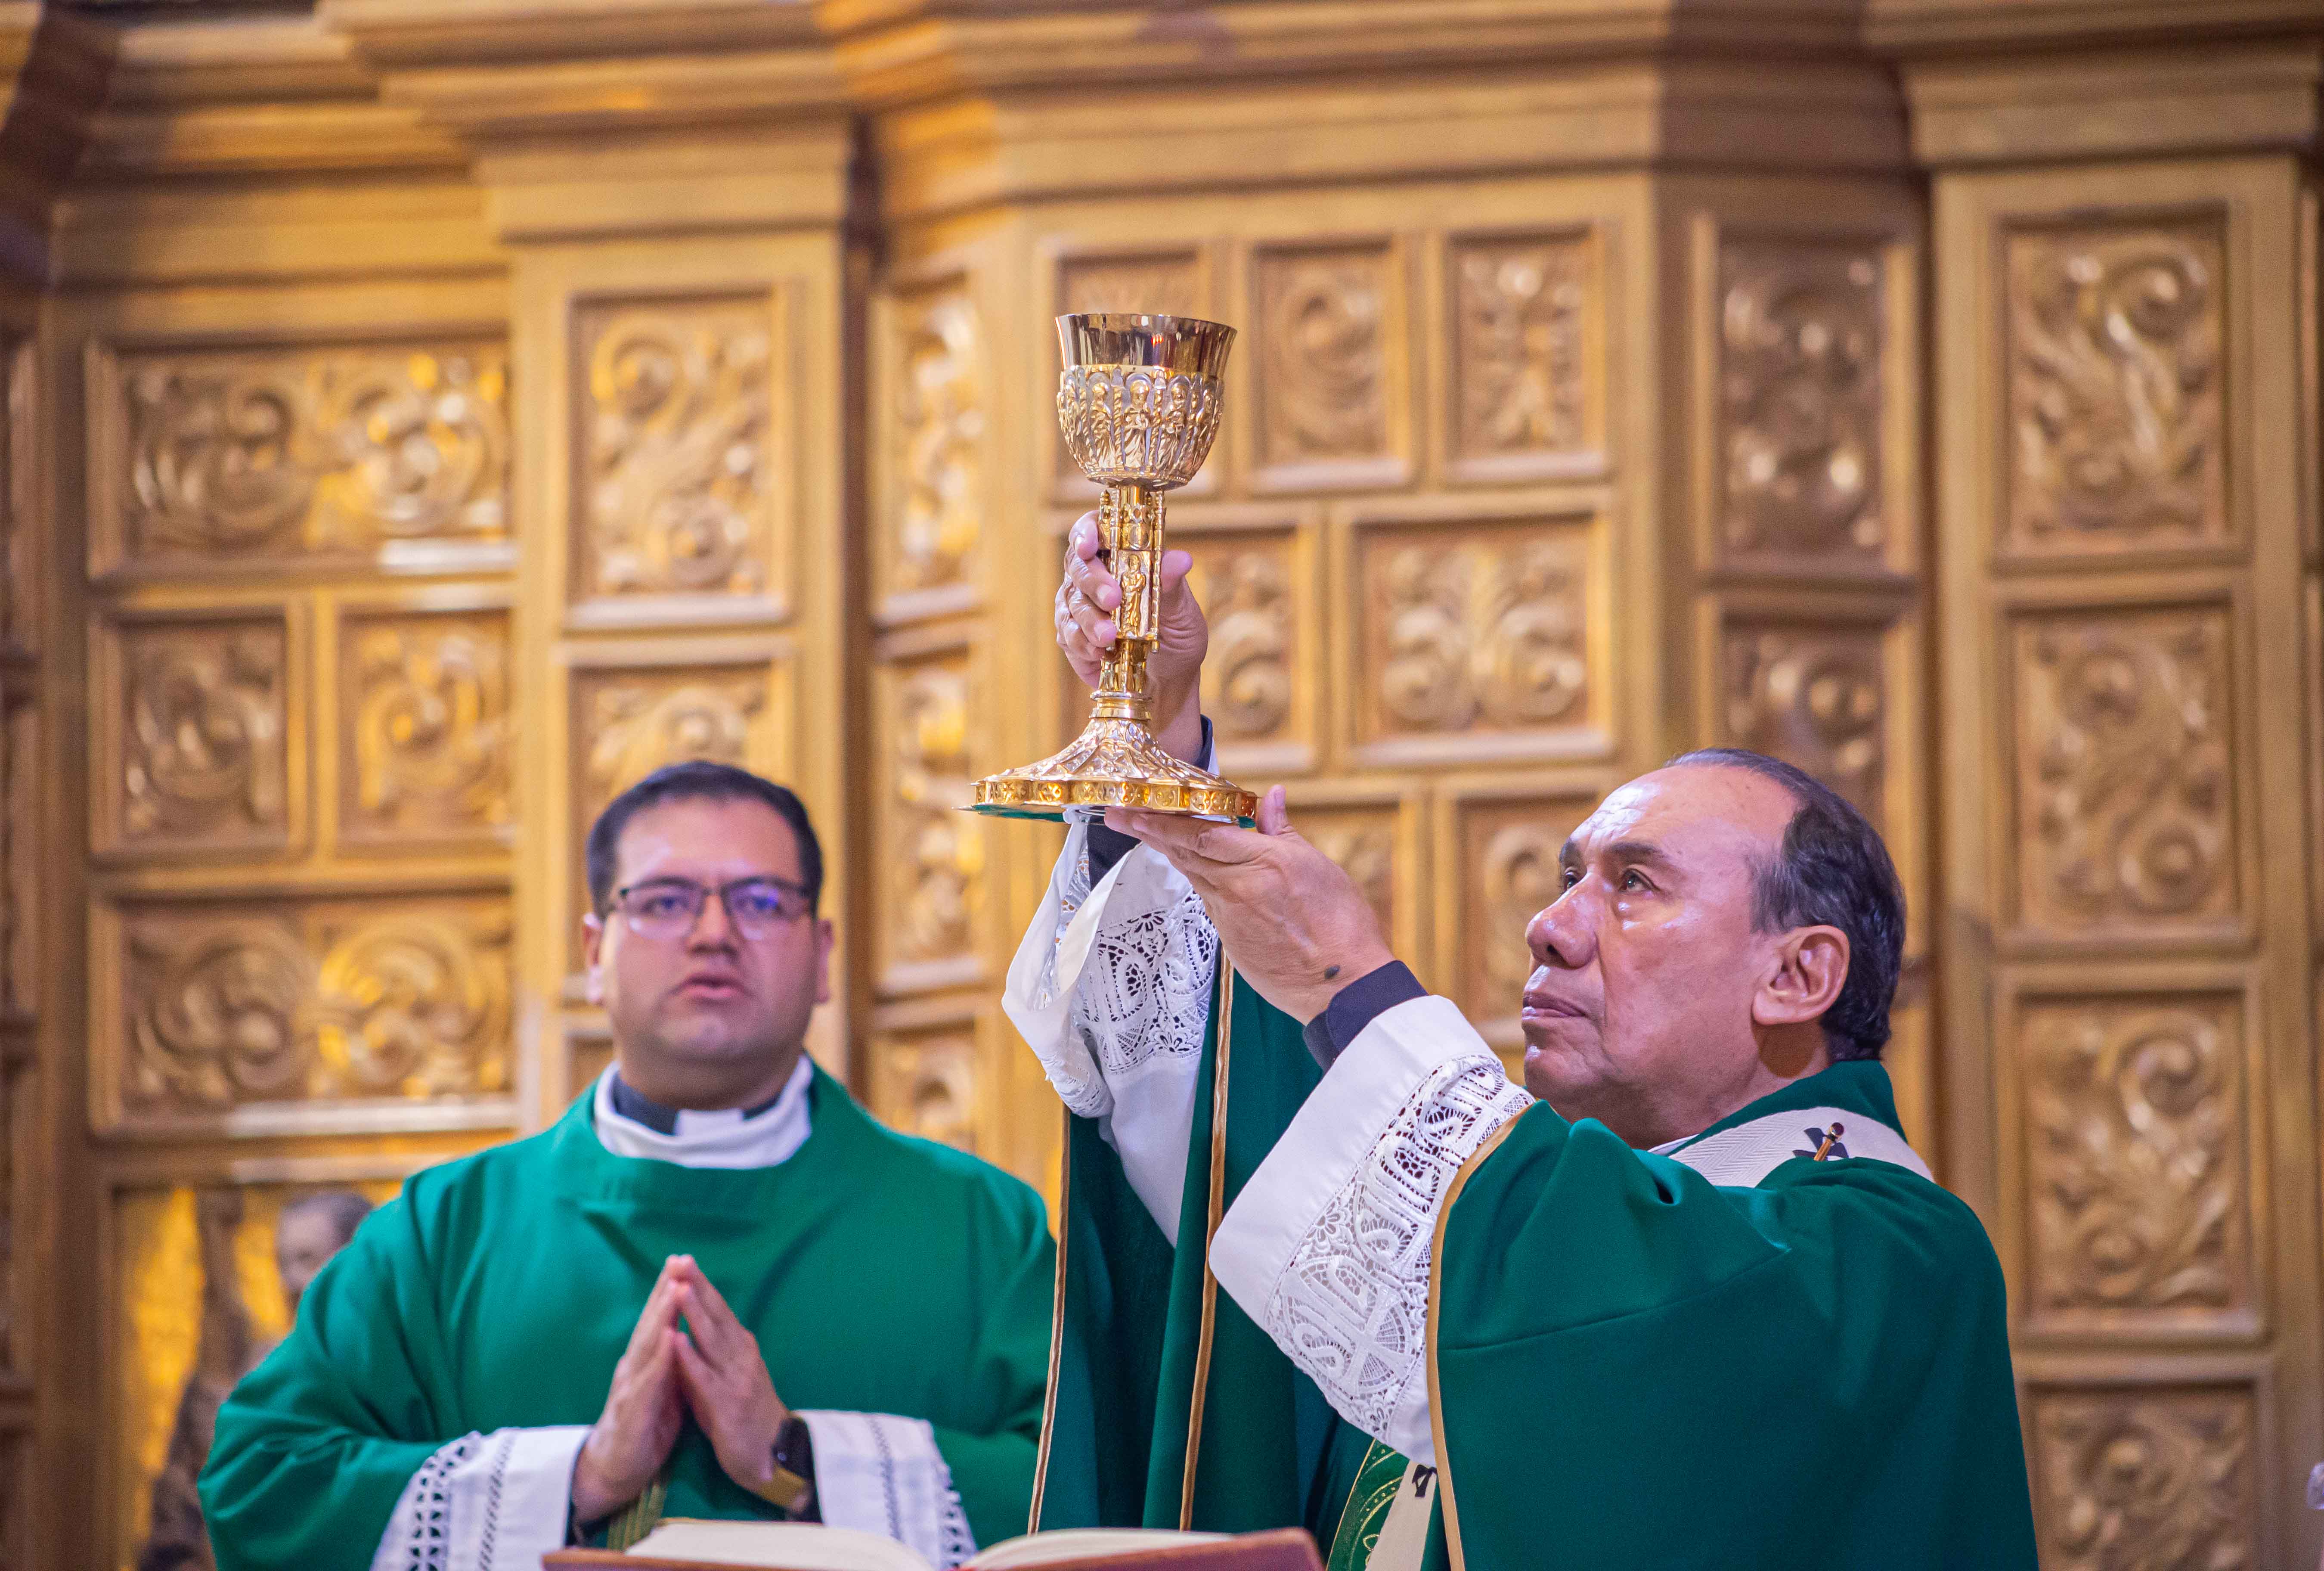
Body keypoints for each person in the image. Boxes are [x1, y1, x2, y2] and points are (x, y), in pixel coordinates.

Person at [1007, 512, 2039, 1568]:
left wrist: (1344, 980)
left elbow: (1616, 1317)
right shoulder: (1512, 1234)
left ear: (1796, 976)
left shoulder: (1883, 1264)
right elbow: (1244, 1163)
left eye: (1633, 884)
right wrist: (1158, 738)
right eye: (1568, 877)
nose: (1550, 925)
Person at [203, 762, 1054, 1571]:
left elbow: (1107, 1486)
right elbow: (263, 1483)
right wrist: (580, 1475)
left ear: (823, 952)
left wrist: (801, 1459)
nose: (714, 934)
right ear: (593, 950)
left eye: (761, 900)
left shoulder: (981, 1231)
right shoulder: (444, 1233)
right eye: (665, 900)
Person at [139, 1188, 372, 1571]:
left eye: (308, 1260)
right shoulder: (239, 1389)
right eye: (282, 1263)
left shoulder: (396, 1381)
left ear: (357, 1264)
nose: (291, 1282)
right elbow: (175, 1532)